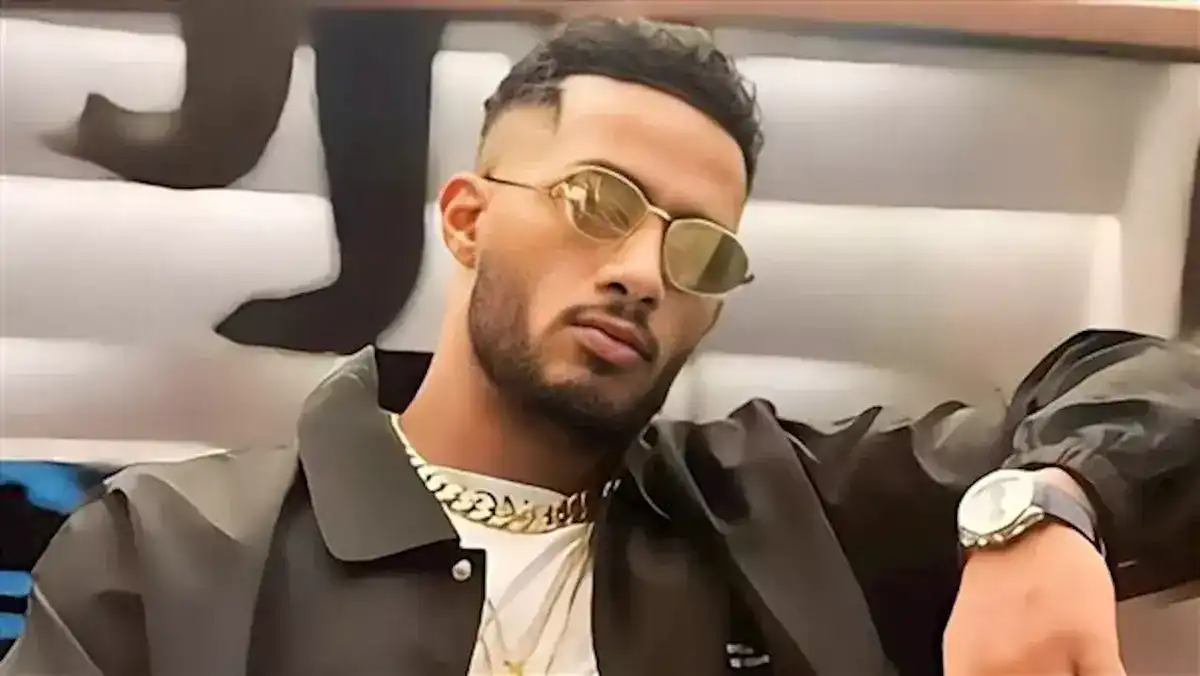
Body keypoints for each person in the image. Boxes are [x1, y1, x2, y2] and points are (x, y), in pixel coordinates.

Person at [3, 17, 1198, 676]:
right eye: (597, 202)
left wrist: (1048, 501)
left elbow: (1155, 389)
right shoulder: (172, 551)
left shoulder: (794, 511)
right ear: (466, 218)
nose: (642, 269)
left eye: (700, 249)